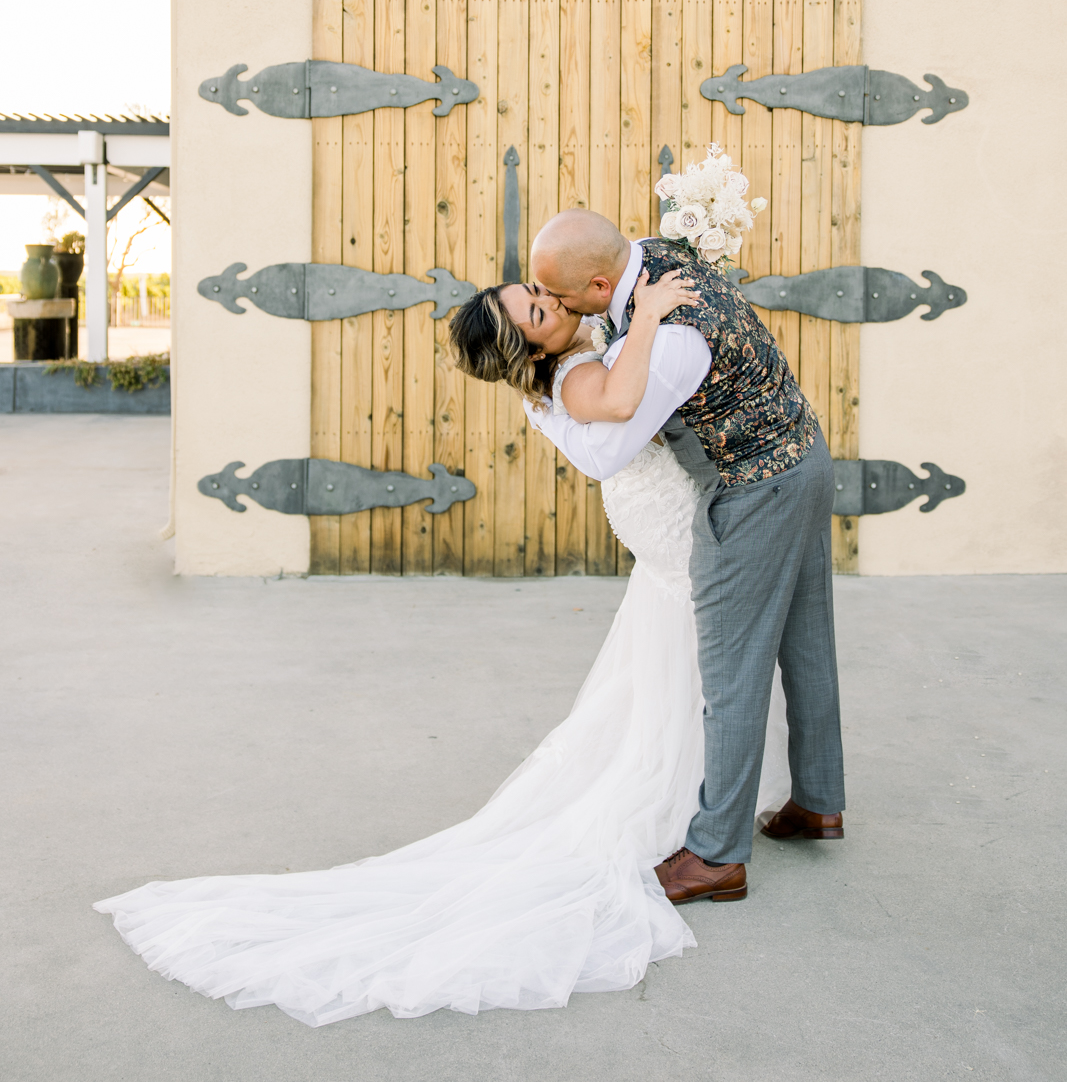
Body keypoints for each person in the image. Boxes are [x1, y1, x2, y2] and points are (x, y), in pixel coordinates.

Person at [94, 265, 790, 1023]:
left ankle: (712, 795)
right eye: (536, 307)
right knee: (699, 644)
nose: (551, 300)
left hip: (658, 503)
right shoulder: (576, 375)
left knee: (684, 650)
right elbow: (623, 399)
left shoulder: (565, 362)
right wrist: (650, 312)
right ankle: (701, 809)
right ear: (529, 347)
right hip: (664, 514)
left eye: (539, 292)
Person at [526, 210, 846, 906]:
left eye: (559, 294)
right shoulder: (654, 256)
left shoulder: (669, 340)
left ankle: (716, 853)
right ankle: (818, 801)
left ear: (601, 282)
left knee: (730, 672)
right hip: (805, 457)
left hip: (754, 489)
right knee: (805, 643)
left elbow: (609, 450)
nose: (551, 304)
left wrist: (539, 407)